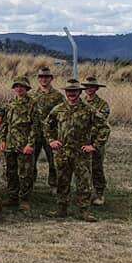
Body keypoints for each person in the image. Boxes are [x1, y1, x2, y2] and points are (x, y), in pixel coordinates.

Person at [45, 79, 109, 221]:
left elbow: (104, 128)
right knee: (62, 182)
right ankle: (61, 209)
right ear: (66, 93)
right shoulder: (58, 109)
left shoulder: (89, 109)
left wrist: (94, 146)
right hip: (63, 153)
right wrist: (51, 140)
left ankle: (84, 211)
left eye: (74, 91)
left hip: (81, 154)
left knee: (83, 183)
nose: (71, 94)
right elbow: (47, 125)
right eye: (69, 91)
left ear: (79, 92)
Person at [0, 77, 41, 211]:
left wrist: (30, 144)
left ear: (26, 88)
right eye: (17, 86)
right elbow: (5, 123)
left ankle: (24, 199)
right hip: (10, 143)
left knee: (25, 173)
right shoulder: (10, 103)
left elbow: (36, 126)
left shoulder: (32, 103)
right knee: (10, 172)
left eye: (22, 86)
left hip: (24, 144)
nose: (19, 89)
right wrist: (2, 139)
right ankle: (12, 197)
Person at [30, 66, 63, 188]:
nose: (44, 79)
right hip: (35, 133)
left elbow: (62, 113)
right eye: (41, 77)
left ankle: (54, 185)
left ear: (51, 78)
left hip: (52, 134)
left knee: (53, 161)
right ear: (38, 79)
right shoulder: (32, 95)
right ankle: (31, 184)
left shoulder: (58, 96)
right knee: (31, 160)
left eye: (46, 77)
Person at [82, 77, 110, 206]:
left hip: (96, 141)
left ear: (97, 88)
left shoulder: (102, 104)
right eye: (87, 87)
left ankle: (99, 193)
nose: (89, 89)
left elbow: (101, 123)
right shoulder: (80, 102)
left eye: (92, 87)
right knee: (83, 167)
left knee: (97, 167)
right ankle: (85, 193)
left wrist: (95, 144)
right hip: (82, 140)